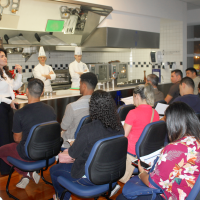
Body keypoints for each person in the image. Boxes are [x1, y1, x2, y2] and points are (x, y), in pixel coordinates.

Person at [50, 90, 124, 200]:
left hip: (87, 176)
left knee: (54, 170)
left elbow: (73, 153)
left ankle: (62, 197)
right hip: (111, 174)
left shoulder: (88, 129)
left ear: (92, 107)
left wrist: (76, 143)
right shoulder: (119, 127)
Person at [117, 102, 200, 200]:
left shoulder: (175, 148)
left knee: (122, 197)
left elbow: (154, 185)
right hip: (187, 191)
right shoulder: (195, 141)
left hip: (168, 195)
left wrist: (141, 172)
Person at [0, 78, 56, 189]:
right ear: (42, 92)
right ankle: (29, 173)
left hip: (29, 153)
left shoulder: (20, 113)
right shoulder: (51, 109)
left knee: (2, 150)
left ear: (26, 91)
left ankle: (26, 173)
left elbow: (17, 139)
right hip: (48, 152)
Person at [119, 84, 159, 184]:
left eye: (133, 97)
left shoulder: (133, 113)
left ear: (137, 96)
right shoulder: (155, 112)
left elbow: (123, 137)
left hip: (132, 155)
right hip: (147, 154)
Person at [0, 48, 22, 175]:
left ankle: (9, 165)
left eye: (5, 56)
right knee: (3, 137)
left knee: (9, 136)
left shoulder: (5, 73)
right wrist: (10, 102)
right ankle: (3, 168)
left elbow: (15, 87)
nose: (5, 58)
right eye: (2, 56)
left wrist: (19, 73)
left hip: (8, 107)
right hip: (2, 107)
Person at [61, 72, 98, 148]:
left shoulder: (72, 106)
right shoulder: (101, 104)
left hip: (72, 144)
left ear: (84, 85)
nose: (79, 86)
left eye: (80, 84)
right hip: (93, 141)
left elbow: (63, 128)